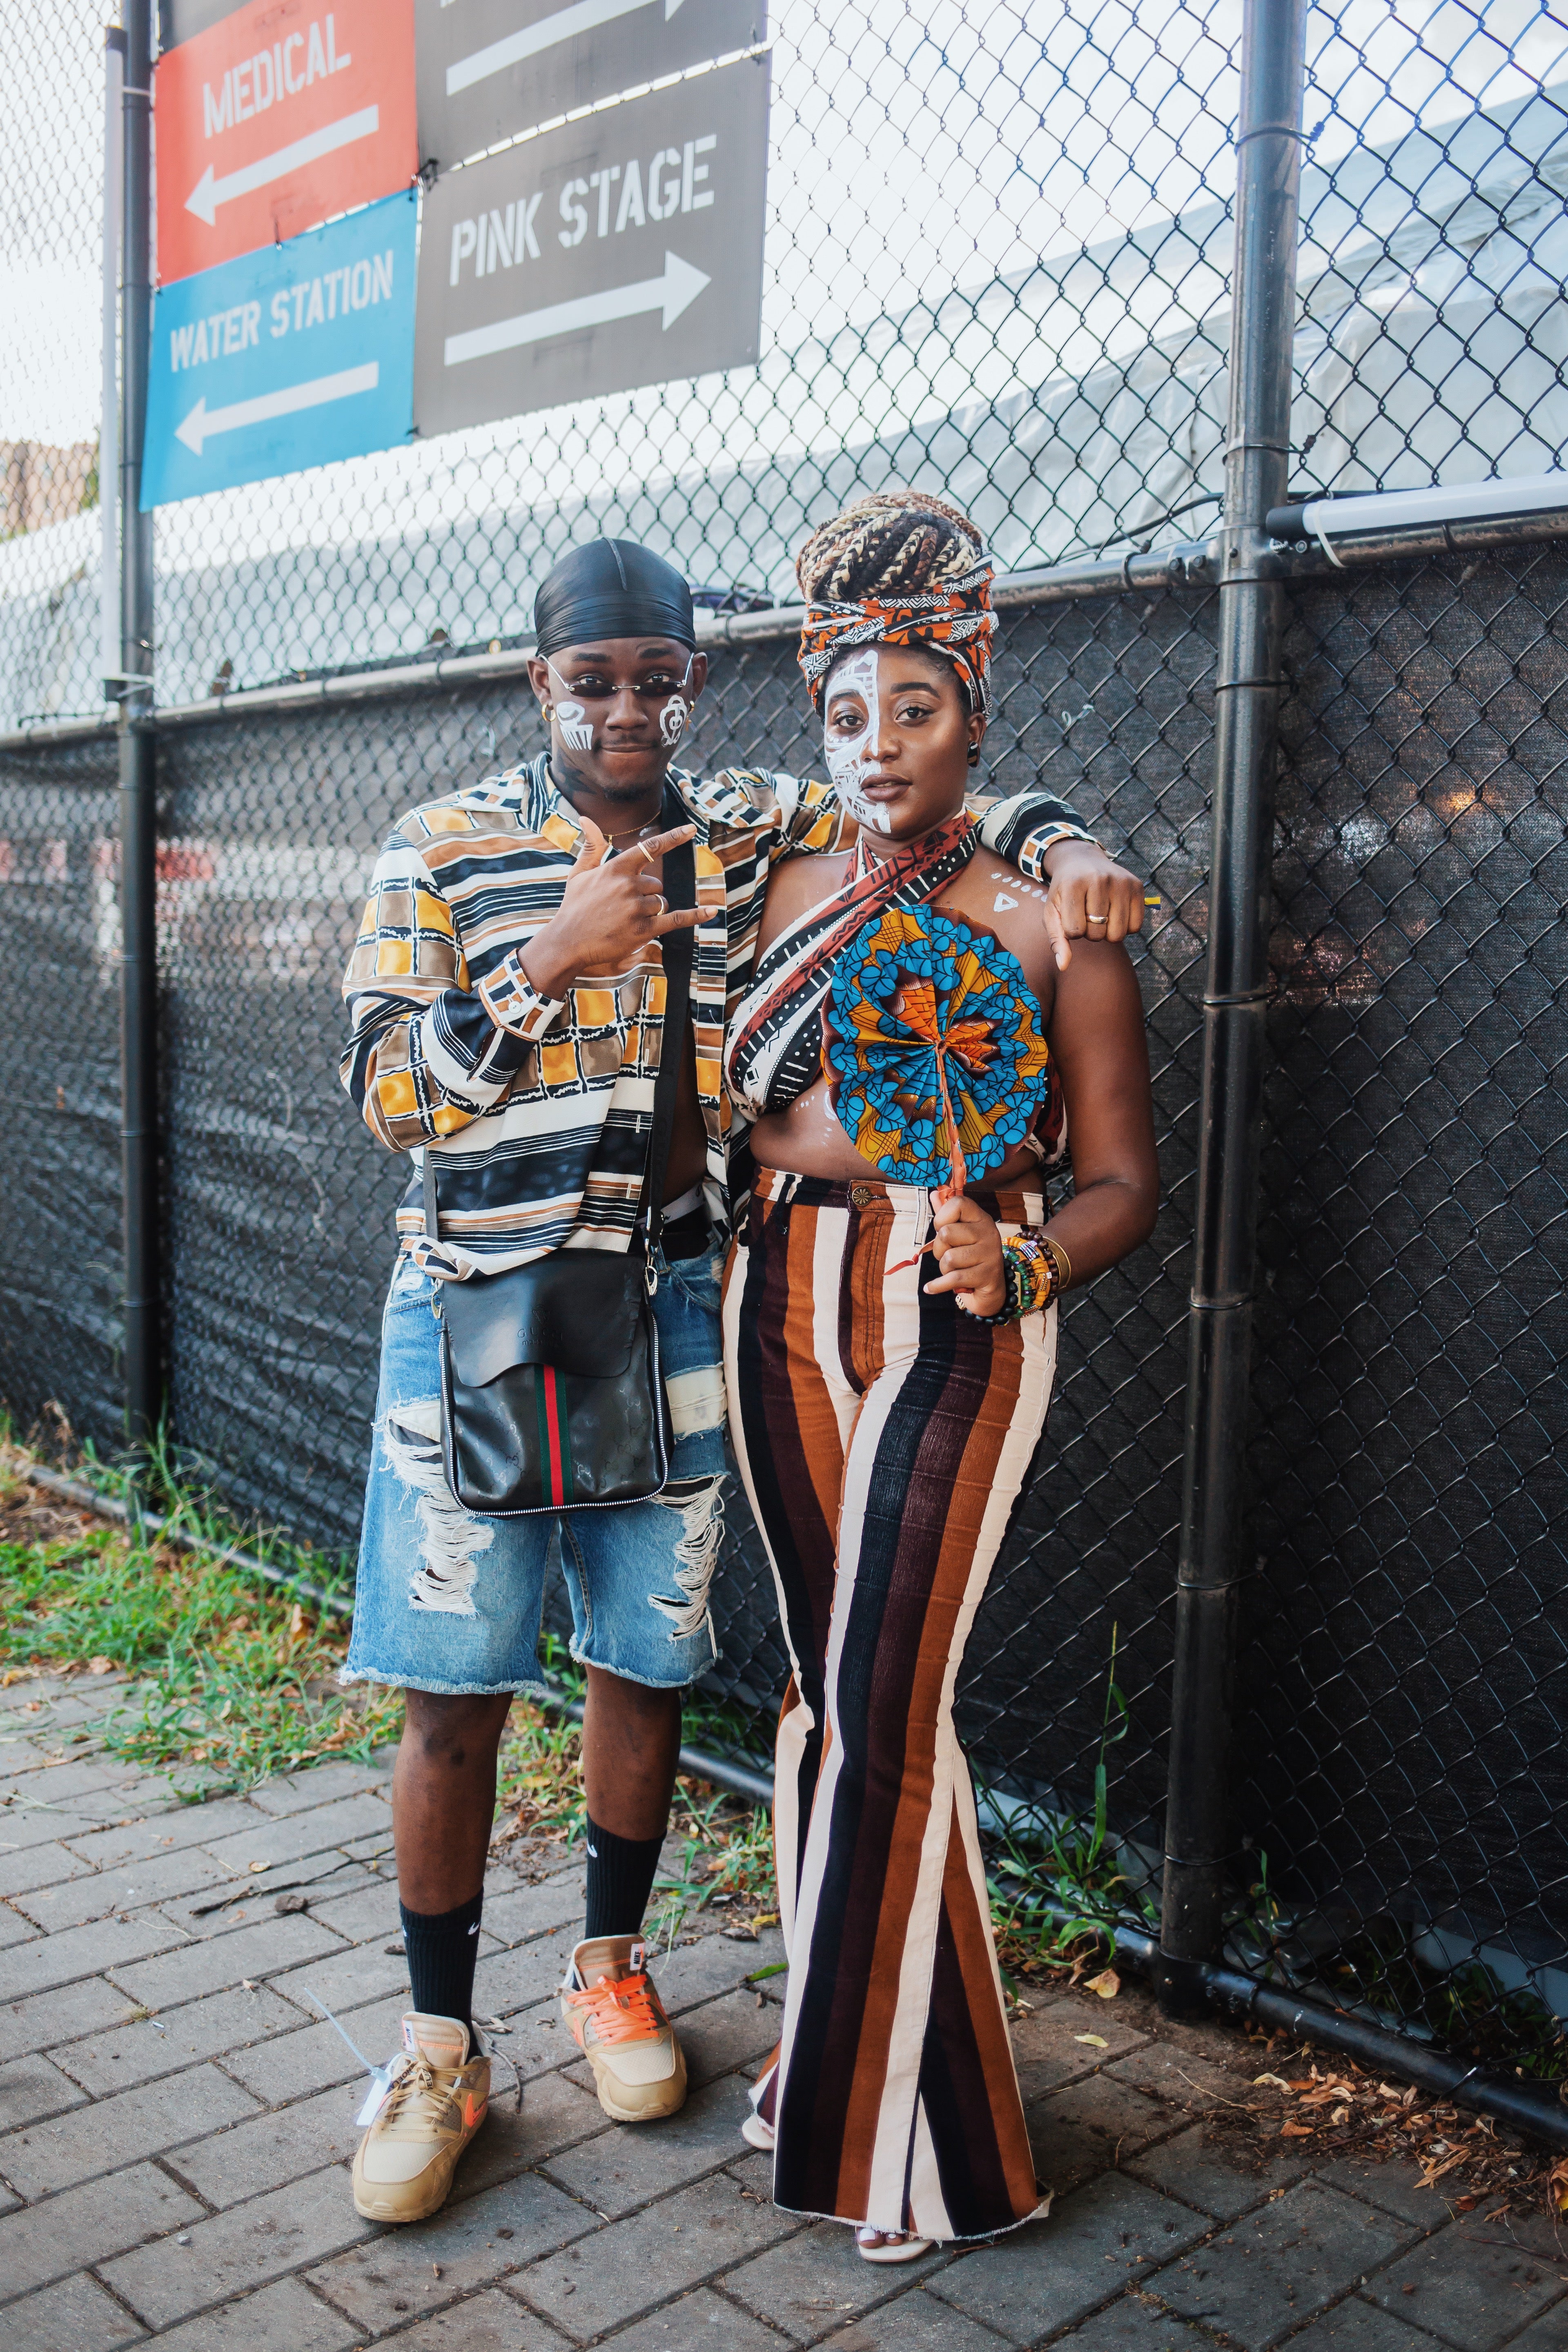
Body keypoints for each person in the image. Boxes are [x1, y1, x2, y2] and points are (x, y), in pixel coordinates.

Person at [336, 531, 1147, 2224]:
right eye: (591, 680)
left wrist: (1070, 846)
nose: (626, 710)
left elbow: (923, 799)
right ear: (535, 684)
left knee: (647, 1660)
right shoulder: (445, 848)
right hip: (479, 1305)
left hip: (681, 1301)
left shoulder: (749, 826)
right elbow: (389, 1099)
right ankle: (433, 2041)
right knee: (456, 1682)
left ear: (692, 688)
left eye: (657, 678)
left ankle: (610, 1969)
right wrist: (550, 958)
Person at [722, 492, 1159, 2258]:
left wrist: (1030, 1254)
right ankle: (945, 2141)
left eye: (914, 705)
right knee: (836, 1710)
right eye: (846, 710)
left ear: (976, 709)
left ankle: (844, 2140)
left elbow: (1129, 1181)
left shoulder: (1064, 912)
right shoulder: (775, 876)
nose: (878, 742)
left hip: (955, 1321)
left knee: (889, 1714)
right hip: (778, 1311)